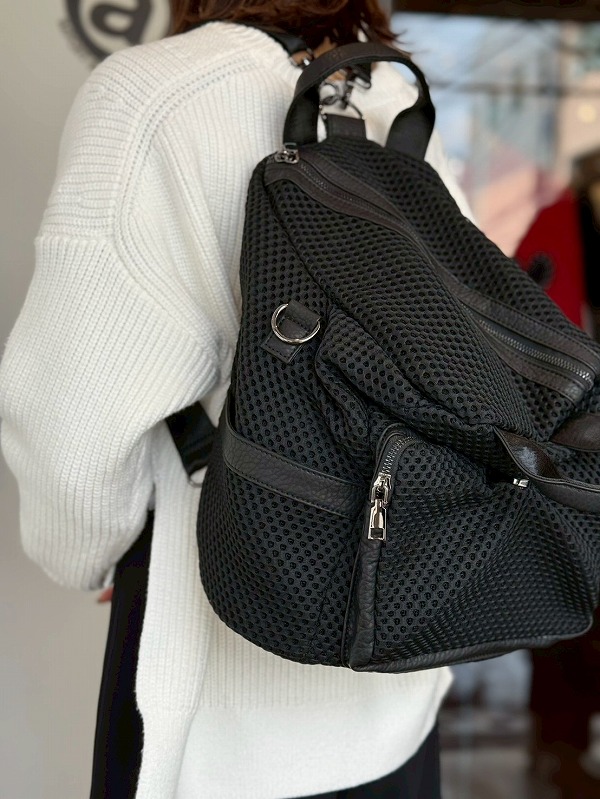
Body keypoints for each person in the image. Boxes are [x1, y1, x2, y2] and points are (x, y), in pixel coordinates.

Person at [0, 2, 473, 797]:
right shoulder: (395, 101)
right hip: (398, 671)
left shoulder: (156, 94)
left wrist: (94, 549)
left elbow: (69, 430)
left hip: (223, 717)